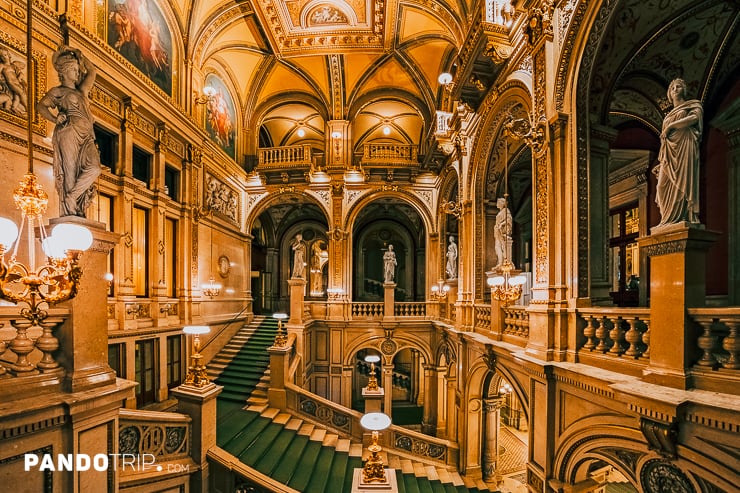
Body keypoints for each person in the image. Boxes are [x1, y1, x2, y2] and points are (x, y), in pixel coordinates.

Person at [38, 45, 101, 217]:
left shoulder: (81, 91)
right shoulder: (57, 91)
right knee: (70, 172)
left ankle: (72, 197)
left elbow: (92, 72)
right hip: (68, 132)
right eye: (73, 69)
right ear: (64, 71)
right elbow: (41, 106)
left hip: (87, 135)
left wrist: (78, 53)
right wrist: (54, 118)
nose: (77, 72)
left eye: (76, 68)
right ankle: (72, 211)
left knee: (95, 168)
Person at [653, 78, 703, 227]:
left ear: (684, 90)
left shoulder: (693, 105)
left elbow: (694, 119)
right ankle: (666, 220)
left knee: (683, 184)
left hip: (685, 148)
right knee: (661, 187)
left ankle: (683, 216)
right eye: (672, 88)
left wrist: (671, 126)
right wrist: (661, 161)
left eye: (678, 86)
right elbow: (663, 141)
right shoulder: (666, 117)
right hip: (669, 154)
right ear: (669, 93)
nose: (675, 89)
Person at [494, 197, 512, 268]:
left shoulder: (506, 210)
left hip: (501, 231)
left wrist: (502, 224)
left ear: (502, 204)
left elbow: (509, 219)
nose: (497, 204)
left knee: (501, 246)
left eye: (498, 203)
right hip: (497, 230)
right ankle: (500, 262)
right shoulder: (500, 212)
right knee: (497, 247)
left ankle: (502, 262)